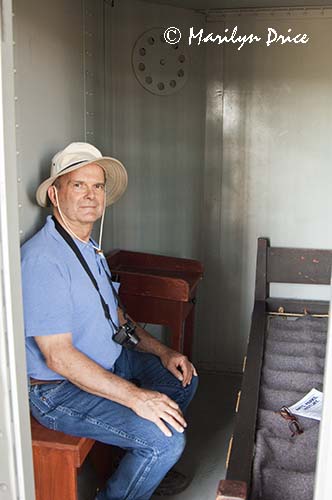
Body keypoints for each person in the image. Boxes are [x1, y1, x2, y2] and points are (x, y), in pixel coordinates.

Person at [21, 142, 198, 500]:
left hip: (109, 359)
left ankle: (138, 468)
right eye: (78, 185)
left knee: (183, 379)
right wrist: (136, 398)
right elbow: (58, 358)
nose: (91, 195)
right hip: (58, 390)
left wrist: (163, 352)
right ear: (55, 194)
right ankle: (139, 469)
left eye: (97, 186)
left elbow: (116, 316)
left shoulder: (88, 247)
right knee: (165, 440)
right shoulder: (43, 259)